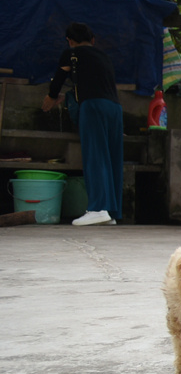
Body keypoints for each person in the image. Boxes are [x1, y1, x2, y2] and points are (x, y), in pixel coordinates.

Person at [41, 23, 123, 226]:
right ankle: (111, 212)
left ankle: (97, 208)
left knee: (95, 157)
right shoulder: (103, 57)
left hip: (93, 107)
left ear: (70, 41)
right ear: (92, 40)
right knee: (112, 159)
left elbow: (59, 78)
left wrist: (51, 98)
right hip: (114, 109)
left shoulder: (72, 54)